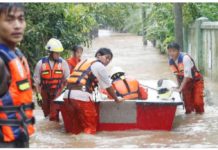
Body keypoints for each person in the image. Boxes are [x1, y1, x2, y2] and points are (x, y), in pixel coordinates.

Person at [62, 48, 123, 134]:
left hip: (67, 96)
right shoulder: (100, 66)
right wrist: (116, 99)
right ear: (98, 55)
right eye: (107, 57)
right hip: (82, 97)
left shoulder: (83, 62)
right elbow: (108, 86)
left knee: (75, 128)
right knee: (90, 126)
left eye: (110, 59)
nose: (108, 61)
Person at [0, 3, 35, 148]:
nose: (17, 25)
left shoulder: (16, 56)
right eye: (9, 20)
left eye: (21, 19)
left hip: (19, 139)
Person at [33, 38, 70, 121]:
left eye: (59, 53)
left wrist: (64, 92)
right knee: (46, 115)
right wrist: (38, 95)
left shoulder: (63, 63)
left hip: (58, 92)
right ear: (50, 52)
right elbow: (36, 82)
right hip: (45, 92)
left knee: (53, 116)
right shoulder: (40, 63)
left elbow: (68, 79)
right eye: (56, 53)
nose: (58, 55)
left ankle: (54, 130)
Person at [167, 42, 204, 114]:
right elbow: (177, 74)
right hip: (185, 83)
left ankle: (200, 118)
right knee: (188, 107)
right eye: (170, 51)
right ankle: (189, 122)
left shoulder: (185, 58)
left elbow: (187, 76)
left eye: (174, 51)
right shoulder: (171, 61)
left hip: (196, 81)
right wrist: (178, 86)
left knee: (198, 103)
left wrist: (180, 88)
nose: (171, 53)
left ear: (178, 51)